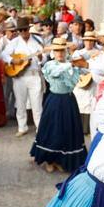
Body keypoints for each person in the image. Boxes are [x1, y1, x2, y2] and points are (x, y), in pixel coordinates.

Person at [31, 37, 86, 173]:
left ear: (65, 51)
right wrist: (72, 65)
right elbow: (56, 72)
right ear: (53, 52)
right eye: (57, 51)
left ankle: (61, 160)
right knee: (52, 130)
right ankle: (50, 160)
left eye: (62, 50)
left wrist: (82, 64)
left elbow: (78, 78)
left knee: (67, 131)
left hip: (68, 101)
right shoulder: (50, 65)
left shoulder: (69, 64)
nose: (59, 53)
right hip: (54, 100)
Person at [0, 16, 44, 136]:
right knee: (20, 103)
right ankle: (22, 127)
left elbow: (44, 58)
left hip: (34, 76)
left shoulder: (38, 41)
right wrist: (13, 61)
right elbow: (3, 55)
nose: (23, 32)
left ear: (29, 29)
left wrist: (40, 58)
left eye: (25, 29)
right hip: (19, 76)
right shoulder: (14, 42)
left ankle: (40, 128)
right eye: (21, 30)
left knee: (37, 104)